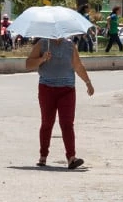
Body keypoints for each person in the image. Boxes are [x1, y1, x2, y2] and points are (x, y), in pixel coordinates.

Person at [25, 35, 93, 169]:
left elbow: (78, 66)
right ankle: (43, 156)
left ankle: (71, 158)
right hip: (47, 89)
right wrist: (42, 59)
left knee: (67, 124)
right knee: (47, 123)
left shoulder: (69, 45)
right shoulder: (42, 44)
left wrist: (88, 82)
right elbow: (28, 64)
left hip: (67, 89)